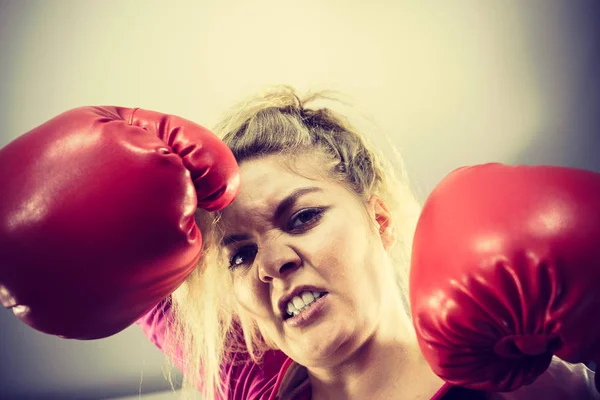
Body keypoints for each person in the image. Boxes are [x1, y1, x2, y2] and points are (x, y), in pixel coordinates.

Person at [1, 86, 599, 399]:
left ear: (380, 218)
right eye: (238, 253)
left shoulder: (522, 378)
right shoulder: (258, 385)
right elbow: (105, 251)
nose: (271, 262)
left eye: (302, 217)